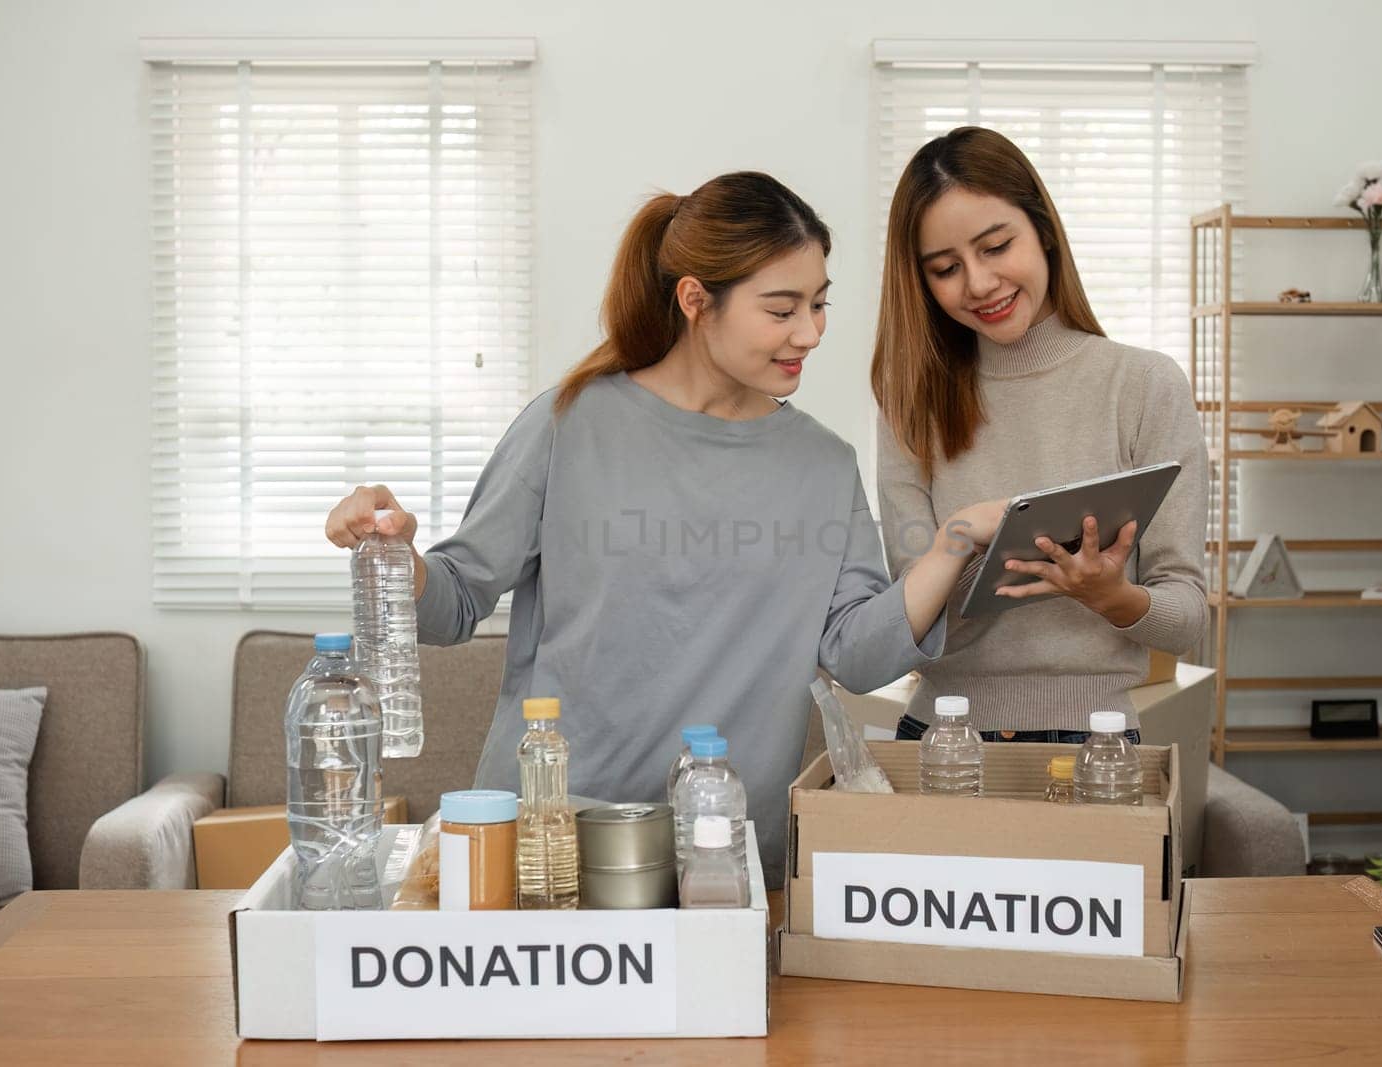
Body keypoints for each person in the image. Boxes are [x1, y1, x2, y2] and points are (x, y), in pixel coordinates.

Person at [327, 172, 1005, 886]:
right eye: (781, 309)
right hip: (551, 845)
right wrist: (395, 556)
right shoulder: (570, 423)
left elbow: (858, 656)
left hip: (722, 858)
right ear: (694, 300)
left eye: (818, 303)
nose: (809, 332)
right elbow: (455, 601)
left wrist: (951, 545)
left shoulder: (824, 466)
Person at [872, 127, 1208, 745]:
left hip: (1095, 744)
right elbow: (914, 622)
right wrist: (965, 535)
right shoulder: (910, 404)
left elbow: (1187, 620)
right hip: (942, 739)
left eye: (996, 247)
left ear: (1045, 232)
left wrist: (1110, 596)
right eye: (945, 269)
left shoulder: (1144, 385)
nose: (977, 284)